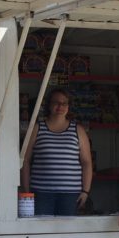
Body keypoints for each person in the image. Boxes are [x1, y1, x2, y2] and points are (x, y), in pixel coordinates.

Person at [20, 88, 93, 216]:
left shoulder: (78, 130)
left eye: (64, 103)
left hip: (70, 195)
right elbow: (25, 160)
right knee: (41, 232)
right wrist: (26, 191)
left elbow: (86, 162)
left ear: (69, 106)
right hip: (41, 193)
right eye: (56, 102)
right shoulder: (37, 128)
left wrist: (85, 191)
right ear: (49, 105)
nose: (60, 106)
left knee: (67, 233)